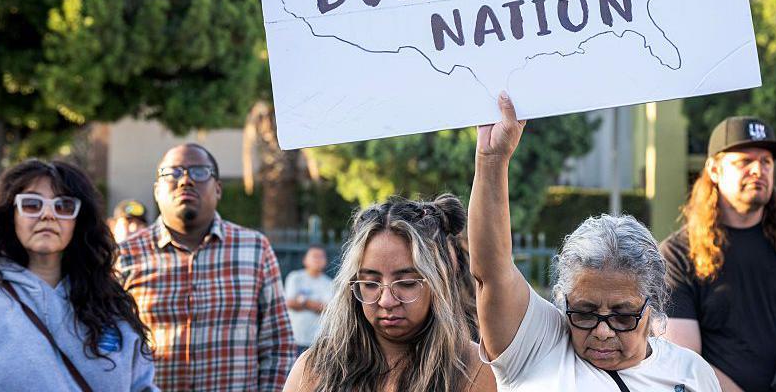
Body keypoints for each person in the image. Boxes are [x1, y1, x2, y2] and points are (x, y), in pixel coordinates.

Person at [470, 94, 720, 391]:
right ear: (564, 301)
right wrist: (492, 160)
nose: (602, 331)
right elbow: (492, 272)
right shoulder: (537, 347)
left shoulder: (691, 373)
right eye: (585, 313)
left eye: (624, 316)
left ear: (652, 306)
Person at [660, 116, 776, 392]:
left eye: (766, 162)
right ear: (714, 170)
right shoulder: (677, 255)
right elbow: (684, 362)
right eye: (744, 162)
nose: (758, 170)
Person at [0, 159, 156, 391]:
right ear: (11, 216)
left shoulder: (112, 304)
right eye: (32, 204)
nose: (48, 215)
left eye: (63, 206)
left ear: (79, 221)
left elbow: (141, 386)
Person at [116, 143, 293, 392]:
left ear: (218, 189)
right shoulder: (125, 255)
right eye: (172, 173)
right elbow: (109, 347)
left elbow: (278, 345)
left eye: (199, 172)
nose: (185, 180)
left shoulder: (255, 249)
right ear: (156, 190)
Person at [283, 194, 496, 392]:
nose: (386, 301)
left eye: (406, 283)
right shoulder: (313, 369)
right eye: (370, 284)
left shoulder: (476, 371)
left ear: (437, 283)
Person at [285, 244, 334, 354]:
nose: (318, 260)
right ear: (305, 260)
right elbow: (290, 303)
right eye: (314, 256)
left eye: (321, 257)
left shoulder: (329, 283)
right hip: (294, 339)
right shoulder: (295, 278)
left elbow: (328, 309)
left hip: (317, 342)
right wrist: (316, 305)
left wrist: (303, 301)